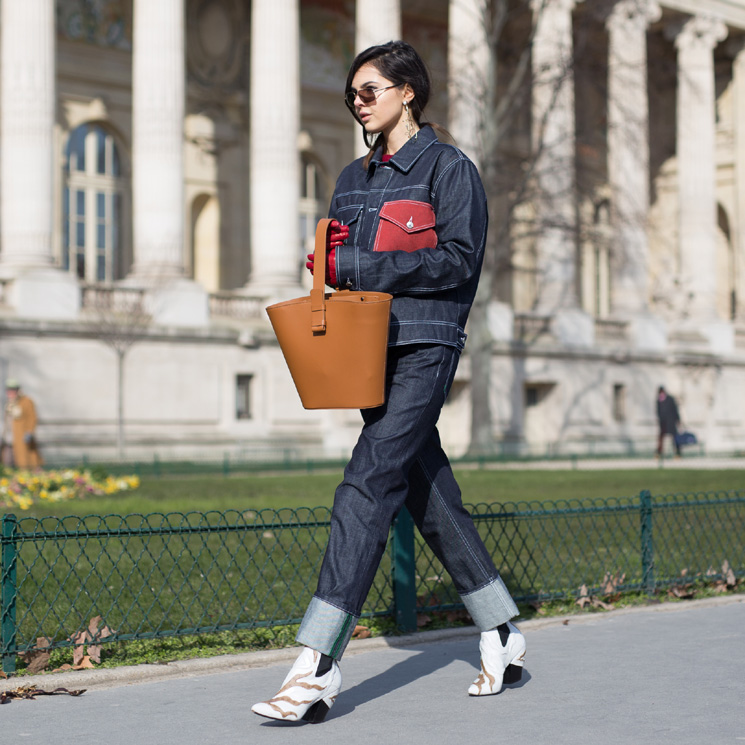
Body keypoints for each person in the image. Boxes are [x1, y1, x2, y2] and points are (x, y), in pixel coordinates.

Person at [252, 40, 525, 723]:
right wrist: (324, 263)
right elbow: (340, 263)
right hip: (365, 347)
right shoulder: (350, 176)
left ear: (408, 92)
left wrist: (360, 265)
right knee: (422, 485)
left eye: (369, 89)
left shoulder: (448, 169)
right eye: (352, 94)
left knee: (369, 478)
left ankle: (315, 663)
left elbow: (458, 262)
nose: (357, 101)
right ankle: (499, 627)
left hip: (427, 343)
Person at [2, 379, 42, 469]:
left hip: (21, 437)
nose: (10, 392)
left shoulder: (26, 401)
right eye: (8, 390)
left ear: (18, 390)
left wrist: (29, 432)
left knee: (25, 460)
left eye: (13, 390)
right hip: (9, 438)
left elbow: (32, 418)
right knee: (7, 461)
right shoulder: (9, 404)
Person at [656, 386, 681, 458]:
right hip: (663, 423)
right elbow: (658, 411)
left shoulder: (670, 399)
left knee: (674, 438)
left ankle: (677, 452)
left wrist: (678, 420)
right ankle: (659, 452)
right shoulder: (658, 401)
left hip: (671, 422)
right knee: (661, 438)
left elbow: (675, 410)